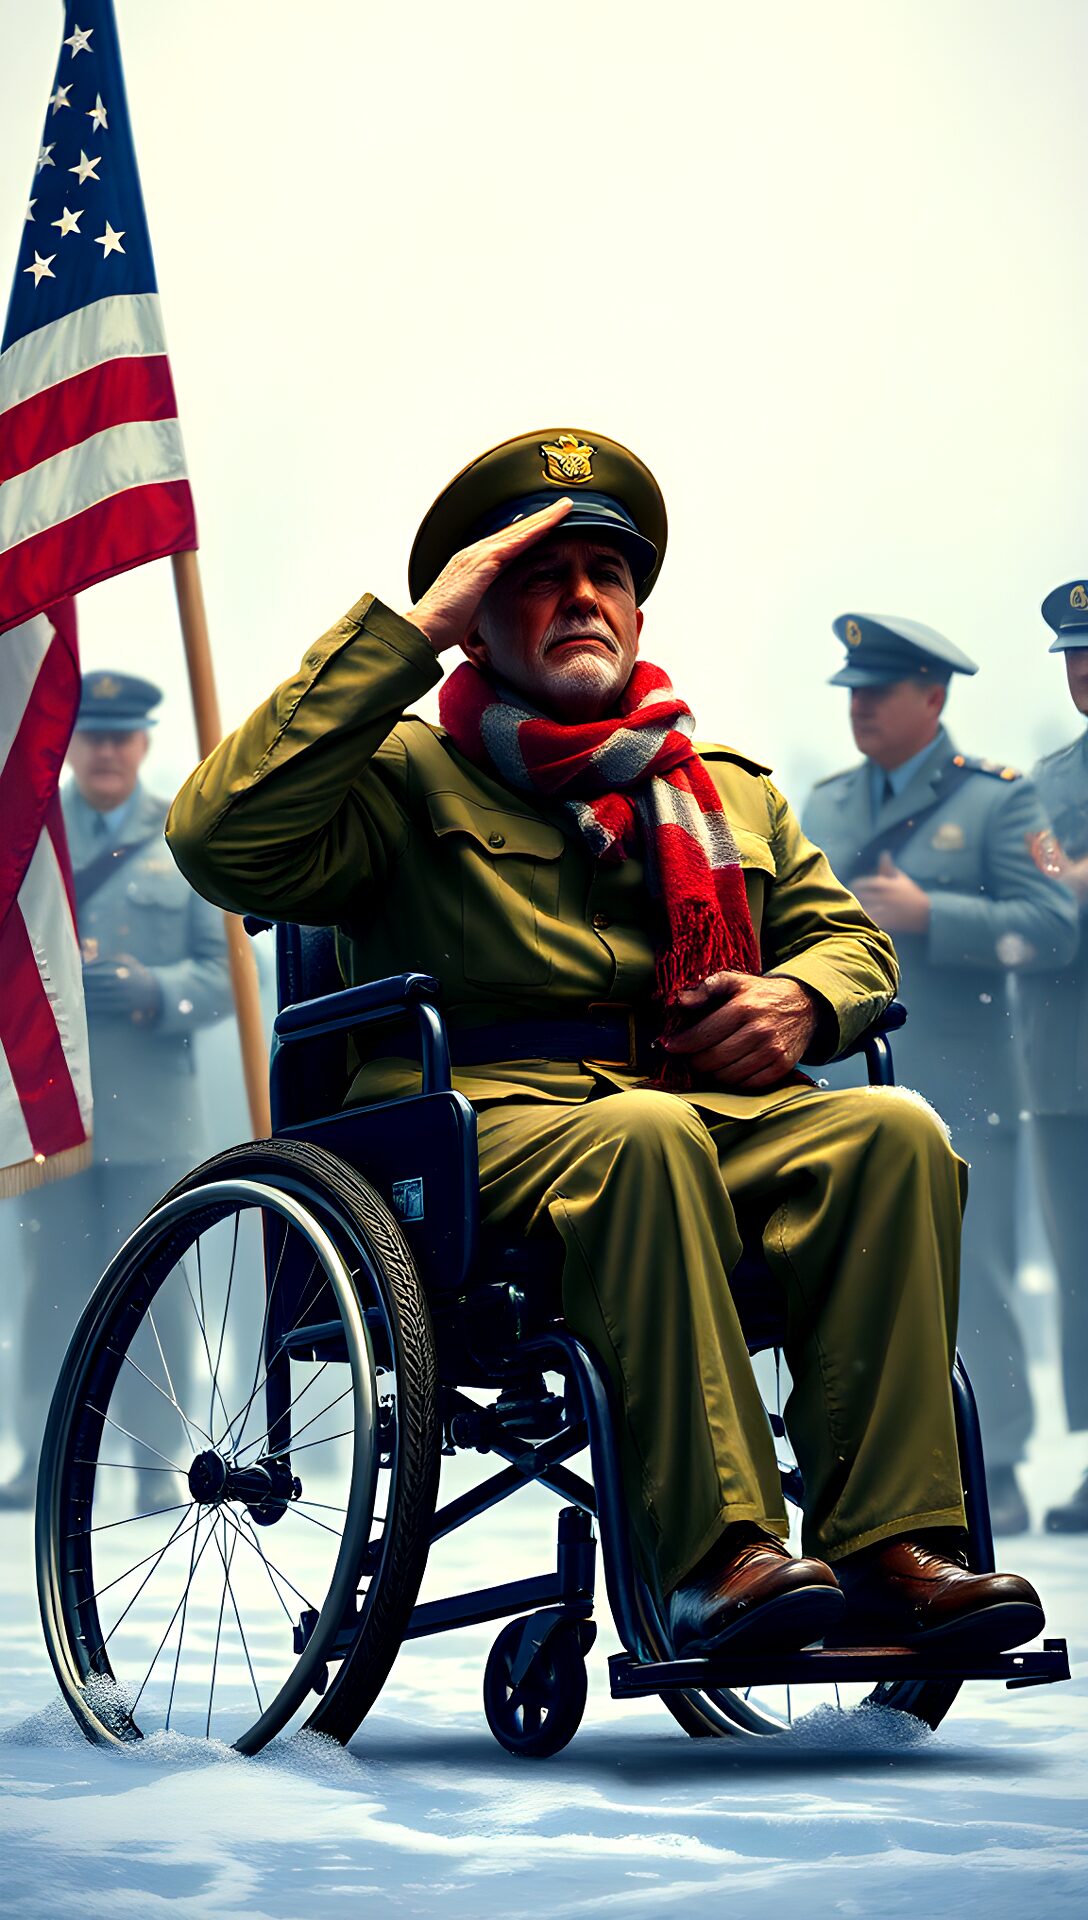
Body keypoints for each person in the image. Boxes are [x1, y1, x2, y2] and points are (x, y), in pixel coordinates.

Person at [167, 428, 1044, 1657]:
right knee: (642, 1137)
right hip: (472, 1126)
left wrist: (801, 1003)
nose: (584, 597)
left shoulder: (721, 790)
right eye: (538, 574)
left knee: (891, 1131)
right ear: (475, 619)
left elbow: (852, 945)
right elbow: (217, 839)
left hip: (691, 1114)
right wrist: (405, 638)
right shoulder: (399, 773)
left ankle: (894, 1549)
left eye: (609, 575)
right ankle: (716, 1556)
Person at [802, 617, 1078, 1535]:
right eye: (852, 691)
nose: (861, 707)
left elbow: (1053, 925)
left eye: (878, 691)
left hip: (967, 1087)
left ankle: (991, 1461)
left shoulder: (1004, 802)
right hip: (850, 1090)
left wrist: (935, 915)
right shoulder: (828, 805)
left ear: (934, 697)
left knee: (978, 1283)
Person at [0, 672, 231, 1510]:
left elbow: (223, 973)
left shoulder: (183, 834)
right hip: (48, 1115)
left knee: (156, 1299)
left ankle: (151, 1464)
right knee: (50, 1291)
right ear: (74, 743)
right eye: (92, 735)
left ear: (142, 742)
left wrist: (150, 986)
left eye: (120, 735)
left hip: (154, 1118)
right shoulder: (23, 831)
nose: (105, 750)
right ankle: (44, 1460)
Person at [1020, 582, 1088, 1531]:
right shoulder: (1044, 782)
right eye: (1072, 652)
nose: (1082, 670)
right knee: (1079, 1271)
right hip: (1068, 1062)